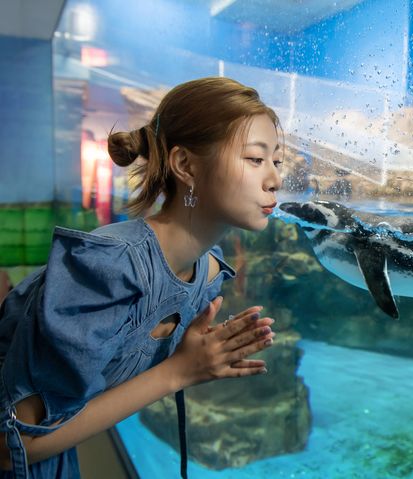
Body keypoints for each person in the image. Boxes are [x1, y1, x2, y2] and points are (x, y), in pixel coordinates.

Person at [0, 77, 283, 478]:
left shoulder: (207, 273)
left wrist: (196, 357)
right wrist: (180, 371)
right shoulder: (112, 268)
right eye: (255, 159)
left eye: (278, 161)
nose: (275, 179)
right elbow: (12, 447)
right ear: (185, 165)